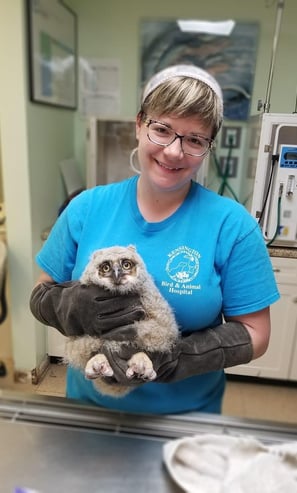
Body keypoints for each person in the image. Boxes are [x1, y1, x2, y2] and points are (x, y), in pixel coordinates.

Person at [30, 64, 280, 415]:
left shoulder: (233, 225)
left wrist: (180, 356)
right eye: (162, 129)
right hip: (90, 413)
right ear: (139, 124)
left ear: (208, 146)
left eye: (194, 139)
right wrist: (69, 306)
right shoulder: (86, 207)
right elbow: (40, 292)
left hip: (186, 419)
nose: (174, 151)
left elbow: (256, 333)